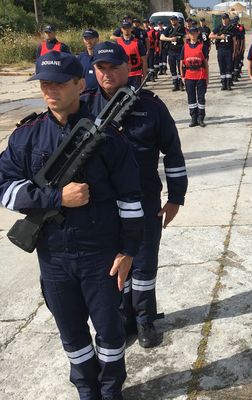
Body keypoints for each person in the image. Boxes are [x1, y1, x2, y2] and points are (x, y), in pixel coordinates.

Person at [0, 51, 144, 400]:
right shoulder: (26, 137)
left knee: (110, 334)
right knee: (71, 333)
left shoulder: (109, 137)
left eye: (60, 83)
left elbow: (131, 200)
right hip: (54, 255)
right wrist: (54, 199)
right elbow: (5, 188)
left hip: (102, 254)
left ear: (81, 84)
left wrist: (128, 252)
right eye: (44, 83)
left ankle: (110, 390)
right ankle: (86, 388)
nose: (50, 90)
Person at [82, 41, 188, 349]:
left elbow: (174, 153)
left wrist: (176, 197)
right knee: (113, 263)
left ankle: (144, 320)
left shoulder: (151, 105)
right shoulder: (84, 106)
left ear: (129, 68)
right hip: (101, 206)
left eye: (114, 67)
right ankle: (123, 316)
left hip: (144, 200)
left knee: (143, 263)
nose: (107, 74)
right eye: (101, 68)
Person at [180, 26, 210, 128]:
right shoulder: (185, 47)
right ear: (188, 35)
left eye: (194, 33)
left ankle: (201, 118)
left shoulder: (202, 46)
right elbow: (181, 63)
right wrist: (182, 76)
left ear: (198, 34)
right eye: (191, 33)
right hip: (189, 75)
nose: (193, 35)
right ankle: (193, 118)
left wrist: (207, 77)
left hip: (200, 75)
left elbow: (206, 63)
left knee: (201, 98)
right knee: (191, 98)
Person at [115, 20, 147, 88]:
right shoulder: (117, 43)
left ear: (131, 29)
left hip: (136, 75)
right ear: (121, 29)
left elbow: (144, 61)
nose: (126, 30)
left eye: (128, 28)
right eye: (124, 28)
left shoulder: (138, 43)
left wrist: (144, 76)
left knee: (135, 97)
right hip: (122, 75)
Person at [210, 13, 237, 91]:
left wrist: (234, 51)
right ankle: (223, 83)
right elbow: (210, 36)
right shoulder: (219, 27)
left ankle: (228, 83)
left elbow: (235, 41)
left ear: (228, 19)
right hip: (220, 49)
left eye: (225, 18)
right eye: (223, 19)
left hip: (229, 49)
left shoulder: (232, 28)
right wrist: (219, 37)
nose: (224, 20)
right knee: (222, 66)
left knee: (229, 67)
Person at [160, 15, 186, 91]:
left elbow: (184, 38)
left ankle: (181, 83)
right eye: (172, 20)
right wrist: (170, 39)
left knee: (180, 68)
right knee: (172, 68)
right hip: (171, 51)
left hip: (180, 51)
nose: (173, 21)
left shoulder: (181, 28)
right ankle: (175, 84)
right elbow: (161, 37)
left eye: (174, 20)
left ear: (177, 20)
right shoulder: (168, 28)